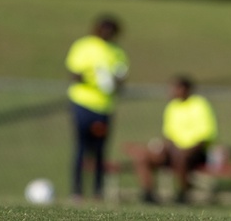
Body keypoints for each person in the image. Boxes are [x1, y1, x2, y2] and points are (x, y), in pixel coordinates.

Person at [65, 15, 129, 200]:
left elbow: (121, 77)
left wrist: (112, 83)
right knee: (81, 147)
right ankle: (76, 191)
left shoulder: (117, 51)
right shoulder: (83, 46)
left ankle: (98, 191)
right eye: (104, 28)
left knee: (100, 150)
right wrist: (96, 79)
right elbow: (75, 73)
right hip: (83, 104)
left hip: (104, 108)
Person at [136, 76, 219, 205]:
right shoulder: (172, 107)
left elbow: (205, 135)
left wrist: (185, 151)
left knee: (181, 158)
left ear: (186, 89)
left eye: (175, 88)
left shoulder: (199, 105)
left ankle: (183, 195)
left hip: (195, 152)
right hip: (173, 150)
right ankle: (148, 194)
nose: (172, 91)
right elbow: (168, 135)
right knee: (144, 157)